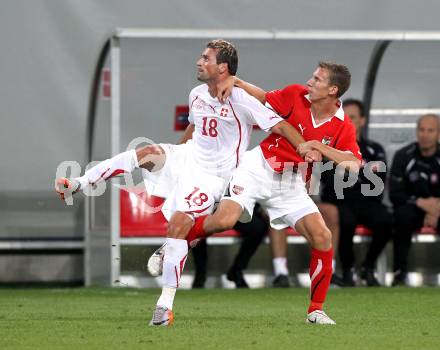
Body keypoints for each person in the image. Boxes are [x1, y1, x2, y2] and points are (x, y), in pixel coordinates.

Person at [56, 40, 318, 326]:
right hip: (187, 158)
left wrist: (304, 147)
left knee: (179, 225)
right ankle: (80, 183)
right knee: (145, 152)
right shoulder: (196, 94)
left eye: (206, 58)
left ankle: (164, 305)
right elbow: (195, 126)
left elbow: (280, 125)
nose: (198, 61)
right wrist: (174, 158)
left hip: (216, 176)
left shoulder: (241, 99)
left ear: (223, 67)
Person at [150, 61, 362, 324]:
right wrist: (236, 81)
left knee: (322, 236)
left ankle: (315, 310)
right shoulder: (296, 94)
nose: (310, 81)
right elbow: (263, 97)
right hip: (257, 168)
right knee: (225, 220)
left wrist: (320, 146)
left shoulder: (343, 125)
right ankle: (176, 243)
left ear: (333, 90)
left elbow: (354, 163)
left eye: (317, 80)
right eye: (312, 77)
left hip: (290, 183)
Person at [320, 98, 392, 287]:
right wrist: (361, 172)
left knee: (386, 220)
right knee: (346, 219)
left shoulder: (375, 149)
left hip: (367, 201)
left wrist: (350, 172)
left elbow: (379, 182)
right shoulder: (329, 147)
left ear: (362, 120)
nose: (348, 121)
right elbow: (328, 179)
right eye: (345, 117)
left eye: (353, 117)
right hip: (340, 201)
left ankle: (367, 267)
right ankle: (348, 269)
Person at [389, 114, 440, 286]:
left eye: (430, 130)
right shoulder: (403, 156)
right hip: (412, 207)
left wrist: (436, 208)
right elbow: (395, 194)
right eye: (421, 130)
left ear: (438, 134)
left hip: (438, 208)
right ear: (417, 132)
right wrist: (421, 203)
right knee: (402, 216)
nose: (425, 135)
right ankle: (399, 273)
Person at [191, 204, 269, 289]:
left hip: (234, 210)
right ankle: (200, 274)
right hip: (206, 207)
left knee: (258, 227)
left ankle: (236, 270)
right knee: (197, 226)